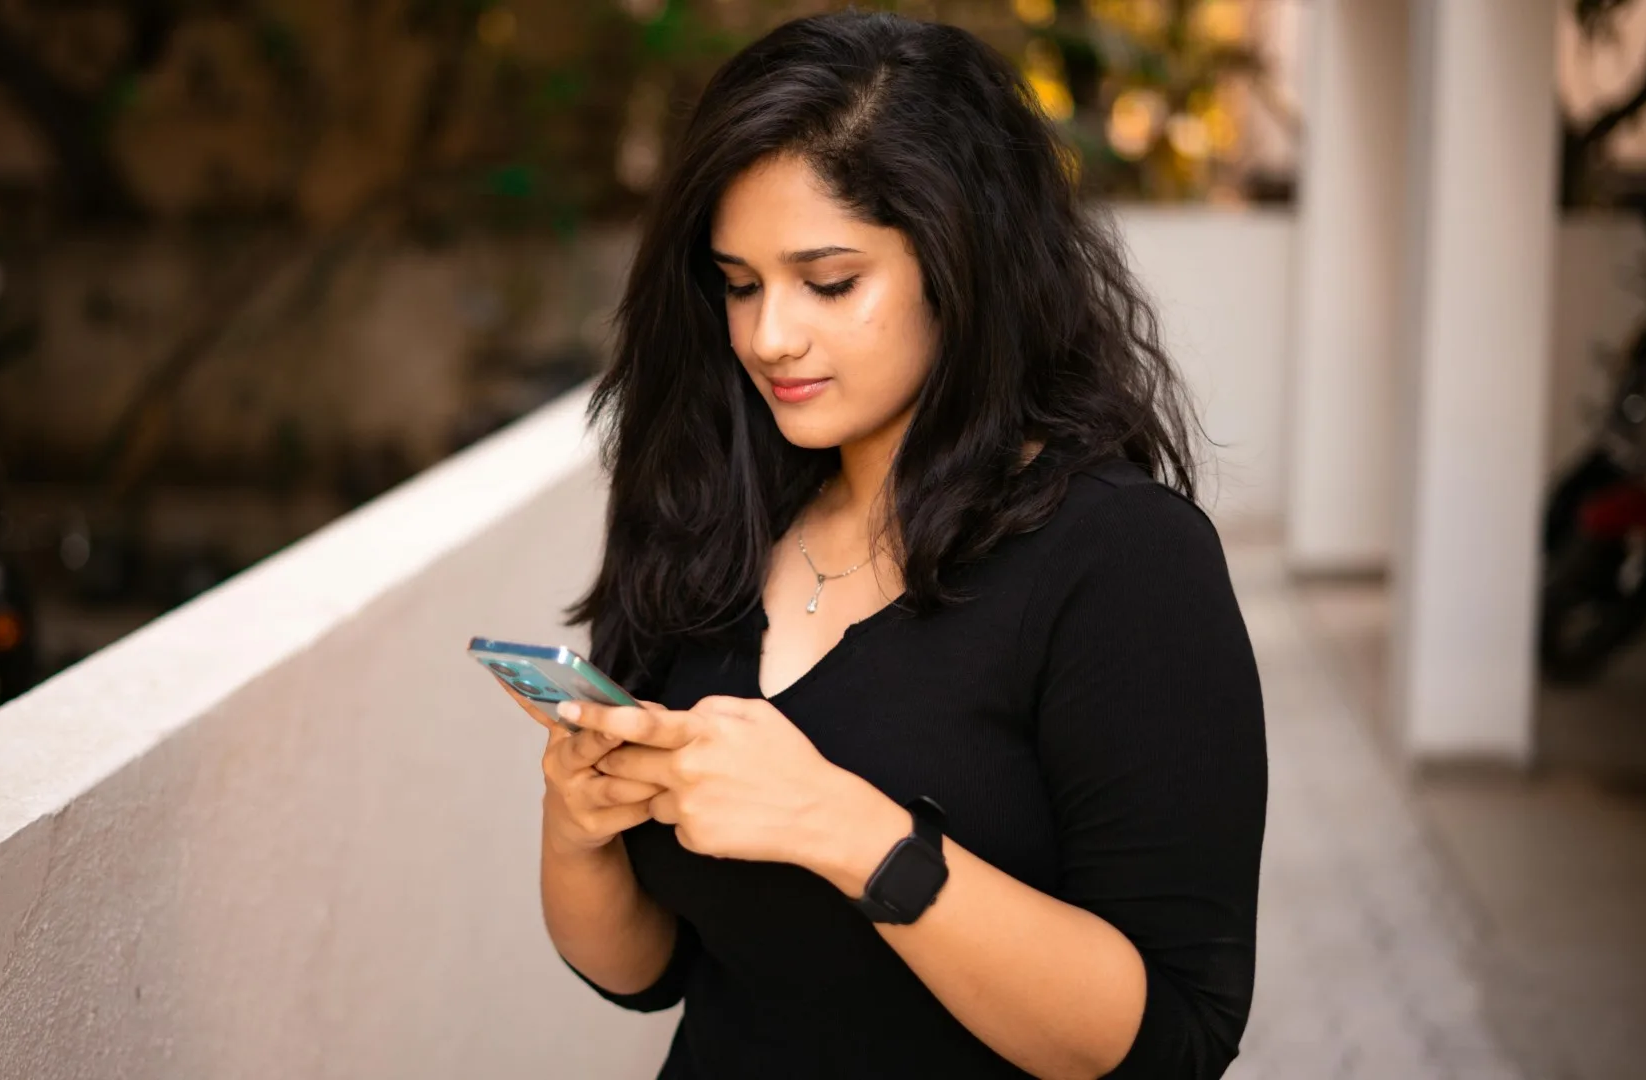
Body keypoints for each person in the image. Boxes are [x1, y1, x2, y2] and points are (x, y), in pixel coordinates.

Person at [512, 11, 1267, 1079]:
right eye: (738, 283)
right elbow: (652, 971)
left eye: (829, 283)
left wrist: (843, 828)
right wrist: (576, 826)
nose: (768, 336)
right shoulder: (717, 517)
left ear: (962, 266)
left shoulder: (1123, 562)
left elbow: (1172, 1039)